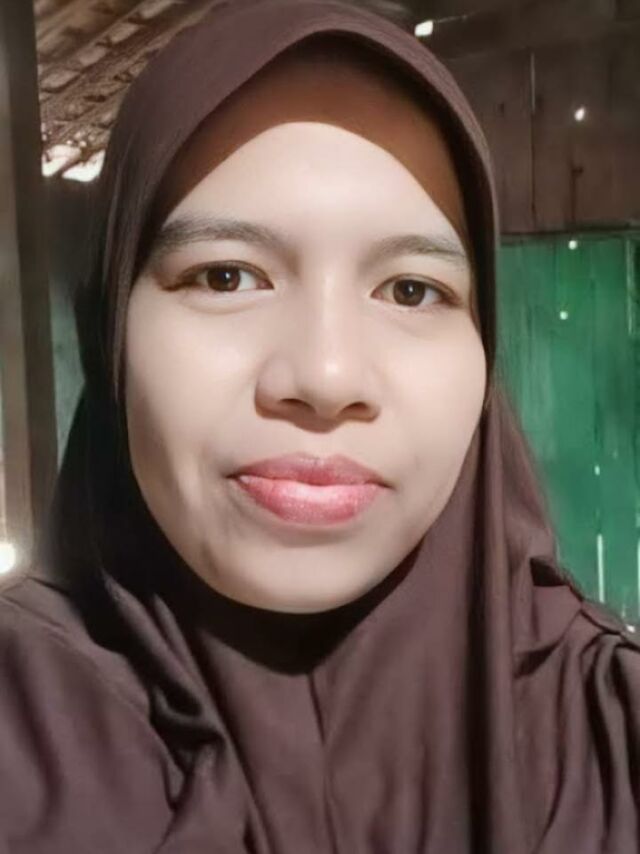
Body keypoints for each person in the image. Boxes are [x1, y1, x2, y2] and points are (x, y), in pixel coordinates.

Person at [1, 1, 639, 851]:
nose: (327, 378)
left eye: (411, 290)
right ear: (109, 331)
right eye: (226, 276)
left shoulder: (614, 743)